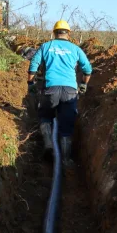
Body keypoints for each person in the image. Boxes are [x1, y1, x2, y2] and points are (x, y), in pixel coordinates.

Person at [27, 20, 92, 167]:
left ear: (54, 32)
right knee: (67, 126)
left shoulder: (46, 46)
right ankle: (66, 159)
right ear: (68, 33)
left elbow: (33, 65)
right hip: (70, 91)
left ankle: (49, 144)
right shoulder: (75, 49)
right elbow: (87, 69)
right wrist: (83, 84)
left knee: (45, 117)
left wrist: (30, 83)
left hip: (50, 88)